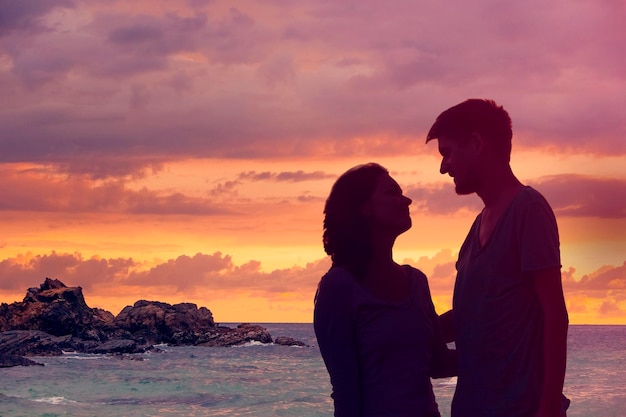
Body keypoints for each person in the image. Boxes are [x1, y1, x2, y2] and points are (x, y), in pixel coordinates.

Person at [425, 99, 569, 417]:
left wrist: (547, 409)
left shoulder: (527, 209)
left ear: (476, 143)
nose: (443, 167)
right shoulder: (476, 228)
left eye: (447, 152)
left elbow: (555, 316)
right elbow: (473, 318)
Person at [314, 162, 457, 417]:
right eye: (393, 193)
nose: (407, 200)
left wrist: (502, 341)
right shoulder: (338, 288)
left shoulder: (417, 281)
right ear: (365, 207)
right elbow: (346, 392)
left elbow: (438, 362)